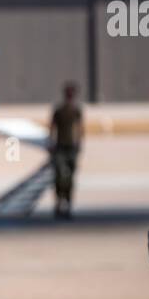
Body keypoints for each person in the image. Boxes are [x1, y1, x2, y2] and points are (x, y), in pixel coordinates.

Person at [48, 80, 83, 218]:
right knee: (59, 177)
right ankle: (59, 203)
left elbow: (80, 128)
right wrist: (51, 143)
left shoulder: (76, 110)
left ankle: (67, 204)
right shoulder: (59, 110)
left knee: (70, 179)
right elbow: (52, 127)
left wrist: (80, 144)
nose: (70, 96)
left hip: (72, 148)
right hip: (60, 147)